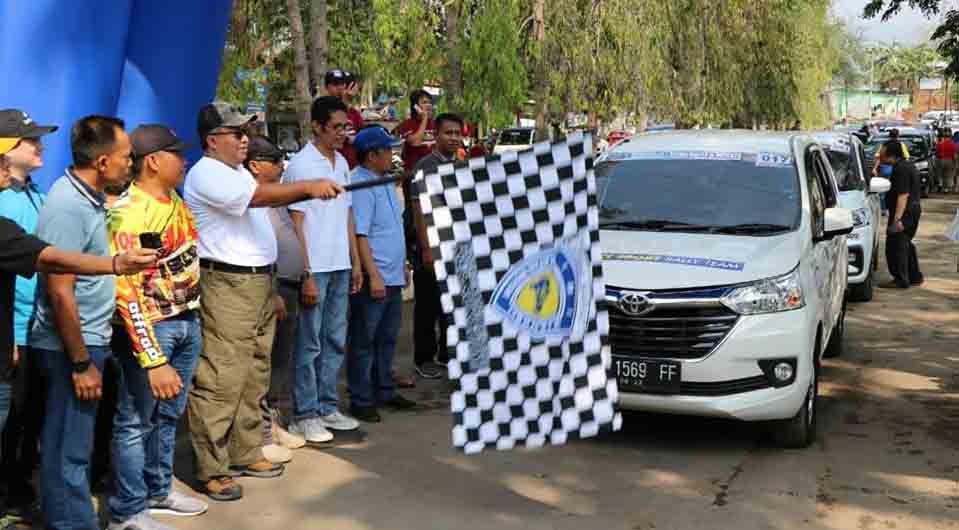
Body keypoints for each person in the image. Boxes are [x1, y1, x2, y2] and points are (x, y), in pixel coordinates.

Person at [184, 102, 343, 501]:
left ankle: (245, 449)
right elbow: (258, 199)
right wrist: (307, 187)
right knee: (223, 376)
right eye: (236, 134)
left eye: (246, 133)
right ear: (211, 140)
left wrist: (270, 287)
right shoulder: (207, 173)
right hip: (227, 284)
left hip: (256, 282)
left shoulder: (235, 171)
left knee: (255, 372)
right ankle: (212, 467)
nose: (245, 140)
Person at [27, 116, 158, 530]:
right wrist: (82, 363)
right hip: (71, 349)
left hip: (89, 341)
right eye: (125, 157)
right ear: (102, 161)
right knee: (69, 449)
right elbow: (60, 291)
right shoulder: (68, 205)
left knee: (75, 446)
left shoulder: (90, 198)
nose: (130, 164)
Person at [105, 125, 210, 530]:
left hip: (187, 320)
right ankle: (127, 511)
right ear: (153, 161)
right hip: (153, 328)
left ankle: (158, 489)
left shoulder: (175, 200)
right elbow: (126, 292)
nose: (184, 161)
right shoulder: (129, 213)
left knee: (168, 415)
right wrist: (152, 359)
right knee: (134, 421)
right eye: (176, 154)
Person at [285, 96, 361, 442]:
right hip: (315, 267)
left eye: (345, 127)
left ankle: (328, 406)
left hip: (341, 264)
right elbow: (296, 223)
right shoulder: (302, 165)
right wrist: (307, 272)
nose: (342, 133)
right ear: (317, 126)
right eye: (336, 127)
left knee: (333, 340)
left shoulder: (342, 162)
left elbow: (346, 213)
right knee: (309, 342)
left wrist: (355, 262)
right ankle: (304, 413)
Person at [0, 108, 56, 520]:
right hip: (14, 328)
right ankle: (11, 497)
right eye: (29, 139)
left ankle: (20, 490)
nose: (39, 145)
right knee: (12, 420)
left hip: (40, 325)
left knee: (30, 415)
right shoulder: (1, 199)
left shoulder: (37, 192)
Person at [242, 135, 307, 464]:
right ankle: (261, 432)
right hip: (270, 284)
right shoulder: (250, 197)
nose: (282, 167)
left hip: (290, 282)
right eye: (276, 161)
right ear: (255, 165)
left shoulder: (277, 197)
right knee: (263, 362)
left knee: (282, 358)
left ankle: (275, 422)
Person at [346, 127, 417, 423]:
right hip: (376, 276)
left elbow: (392, 227)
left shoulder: (385, 180)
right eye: (388, 150)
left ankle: (384, 390)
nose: (393, 154)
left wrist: (402, 265)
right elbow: (361, 233)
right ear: (372, 155)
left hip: (393, 273)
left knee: (387, 338)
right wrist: (372, 274)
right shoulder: (359, 184)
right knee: (364, 339)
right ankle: (361, 398)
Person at [408, 113, 465, 379]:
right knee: (428, 305)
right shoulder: (424, 167)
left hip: (456, 245)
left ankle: (447, 354)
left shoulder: (462, 165)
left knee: (452, 304)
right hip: (431, 246)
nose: (454, 138)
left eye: (457, 133)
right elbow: (419, 209)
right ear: (436, 134)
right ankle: (424, 357)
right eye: (448, 133)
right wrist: (427, 247)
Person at [879, 141, 924, 290]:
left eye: (883, 152)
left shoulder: (901, 169)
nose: (880, 154)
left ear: (891, 154)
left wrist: (897, 219)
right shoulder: (906, 165)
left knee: (896, 246)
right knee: (905, 244)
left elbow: (903, 195)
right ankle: (914, 276)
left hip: (905, 213)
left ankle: (901, 279)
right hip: (912, 211)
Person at [324, 69, 364, 169]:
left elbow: (363, 139)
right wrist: (346, 100)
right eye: (335, 84)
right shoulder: (322, 108)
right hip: (330, 167)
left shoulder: (355, 113)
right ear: (327, 87)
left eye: (343, 84)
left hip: (353, 169)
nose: (340, 88)